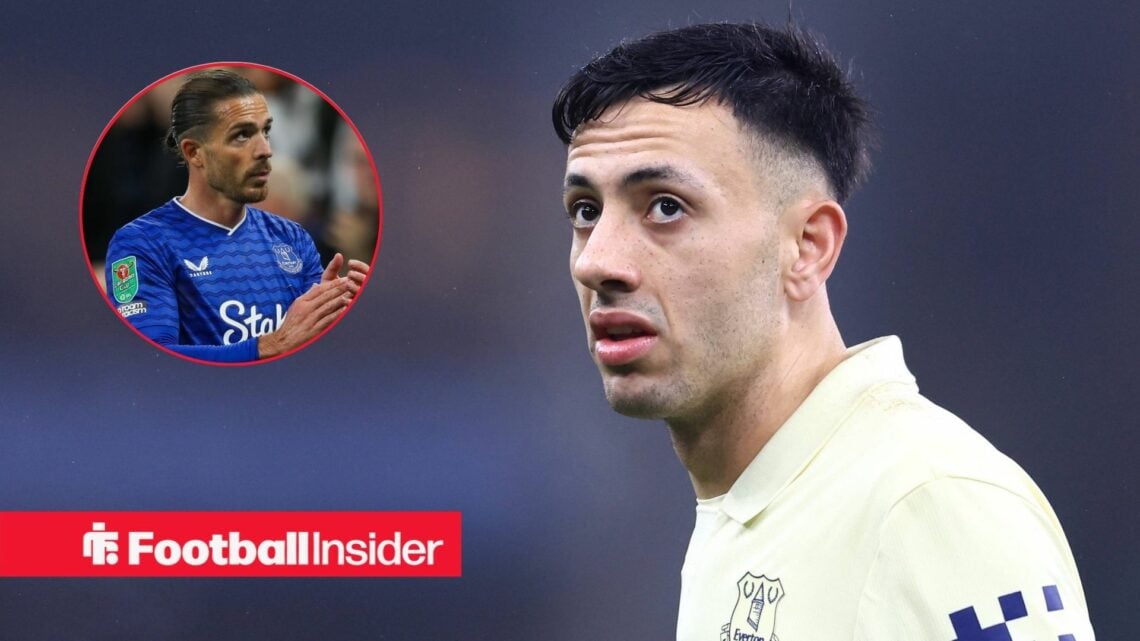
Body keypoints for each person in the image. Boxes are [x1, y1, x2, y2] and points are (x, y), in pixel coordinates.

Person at [551, 23, 1095, 640]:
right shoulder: (752, 507)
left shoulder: (930, 502)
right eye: (586, 212)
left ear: (808, 247)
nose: (597, 260)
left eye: (665, 205)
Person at [105, 69, 368, 363]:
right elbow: (153, 359)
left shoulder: (292, 237)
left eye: (265, 131)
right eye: (242, 135)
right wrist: (271, 344)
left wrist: (340, 314)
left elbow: (309, 353)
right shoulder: (142, 243)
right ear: (194, 152)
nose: (266, 150)